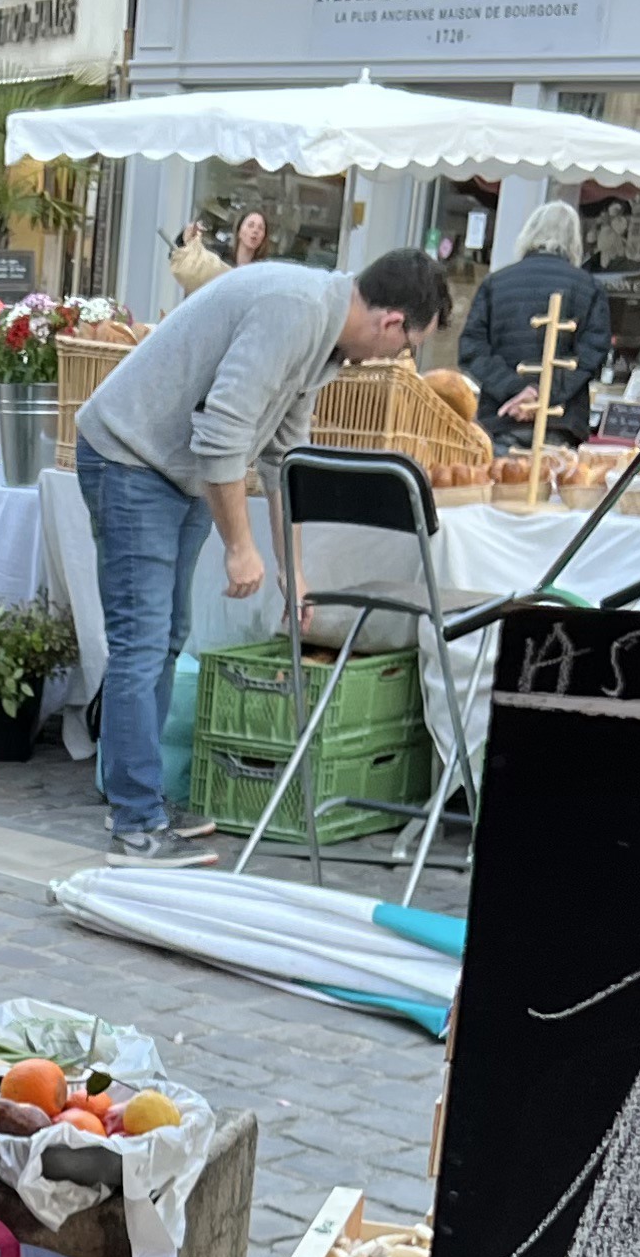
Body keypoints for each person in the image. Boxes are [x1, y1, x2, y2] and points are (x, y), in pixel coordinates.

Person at [73, 245, 453, 861]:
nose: (398, 357)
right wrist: (240, 547)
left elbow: (284, 460)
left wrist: (291, 570)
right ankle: (136, 822)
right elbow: (222, 431)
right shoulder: (296, 310)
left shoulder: (324, 337)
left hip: (176, 471)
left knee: (167, 638)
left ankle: (142, 801)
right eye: (407, 344)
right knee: (141, 643)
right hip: (130, 458)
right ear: (390, 322)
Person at [459, 200, 611, 443]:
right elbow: (591, 356)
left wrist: (517, 390)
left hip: (502, 417)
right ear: (574, 240)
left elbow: (472, 348)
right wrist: (542, 395)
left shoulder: (495, 283)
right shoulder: (590, 287)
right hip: (560, 421)